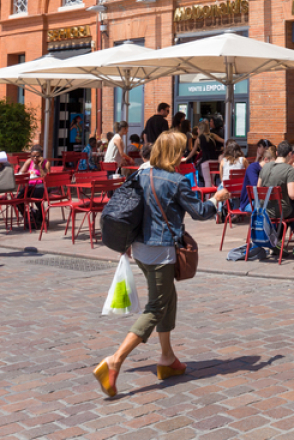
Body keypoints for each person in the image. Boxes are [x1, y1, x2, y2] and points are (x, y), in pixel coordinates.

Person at [92, 131, 231, 397]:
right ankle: (115, 361)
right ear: (173, 154)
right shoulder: (177, 181)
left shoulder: (141, 174)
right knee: (156, 307)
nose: (183, 155)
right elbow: (200, 212)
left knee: (169, 298)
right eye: (181, 151)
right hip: (160, 251)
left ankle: (167, 359)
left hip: (140, 248)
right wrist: (216, 198)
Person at [259, 140, 294, 250]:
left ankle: (277, 241)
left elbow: (258, 188)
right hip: (281, 210)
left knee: (291, 210)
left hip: (265, 209)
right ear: (290, 154)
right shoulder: (289, 169)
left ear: (276, 153)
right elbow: (292, 195)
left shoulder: (265, 167)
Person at [240, 144, 275, 212]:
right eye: (272, 163)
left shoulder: (269, 170)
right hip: (249, 203)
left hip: (264, 200)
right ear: (266, 159)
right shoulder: (252, 168)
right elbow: (258, 188)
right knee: (271, 210)